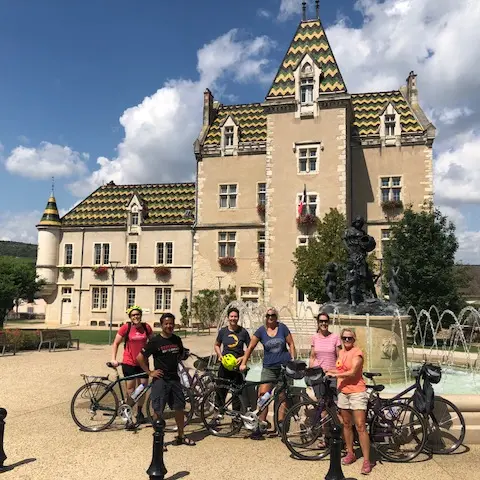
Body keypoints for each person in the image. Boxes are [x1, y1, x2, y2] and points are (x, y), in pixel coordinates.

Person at [137, 312, 196, 450]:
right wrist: (149, 372)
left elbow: (180, 355)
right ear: (162, 325)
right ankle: (159, 439)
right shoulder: (155, 341)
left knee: (179, 407)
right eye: (166, 323)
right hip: (161, 379)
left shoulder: (176, 339)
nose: (169, 326)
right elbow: (140, 357)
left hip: (174, 378)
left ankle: (181, 435)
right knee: (158, 409)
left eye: (171, 324)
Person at [240, 307, 296, 437]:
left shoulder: (282, 328)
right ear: (265, 317)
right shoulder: (261, 330)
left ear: (276, 317)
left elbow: (291, 344)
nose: (270, 318)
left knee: (282, 396)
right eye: (268, 315)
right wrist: (244, 362)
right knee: (263, 396)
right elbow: (250, 347)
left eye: (273, 315)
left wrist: (293, 360)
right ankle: (262, 424)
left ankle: (280, 425)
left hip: (283, 367)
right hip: (269, 368)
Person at [326, 328, 372, 475]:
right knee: (346, 424)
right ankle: (350, 452)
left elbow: (352, 372)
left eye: (349, 338)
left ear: (354, 339)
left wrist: (334, 374)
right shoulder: (341, 352)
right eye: (344, 338)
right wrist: (328, 369)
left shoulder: (357, 353)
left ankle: (366, 460)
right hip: (343, 392)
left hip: (357, 392)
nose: (347, 341)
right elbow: (340, 368)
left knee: (360, 426)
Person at [111, 305, 153, 428]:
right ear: (130, 317)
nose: (136, 317)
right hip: (129, 362)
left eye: (137, 314)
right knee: (130, 389)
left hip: (143, 363)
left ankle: (139, 411)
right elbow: (116, 343)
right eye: (133, 315)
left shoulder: (146, 327)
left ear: (141, 315)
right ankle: (129, 412)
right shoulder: (126, 328)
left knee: (143, 387)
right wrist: (113, 358)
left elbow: (154, 342)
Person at [214, 307, 251, 409]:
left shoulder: (243, 332)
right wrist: (220, 355)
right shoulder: (223, 331)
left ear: (238, 318)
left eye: (235, 316)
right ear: (228, 318)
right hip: (224, 366)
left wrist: (243, 358)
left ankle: (236, 418)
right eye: (231, 316)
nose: (233, 319)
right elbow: (217, 345)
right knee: (220, 391)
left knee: (237, 393)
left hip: (237, 367)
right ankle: (217, 415)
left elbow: (250, 349)